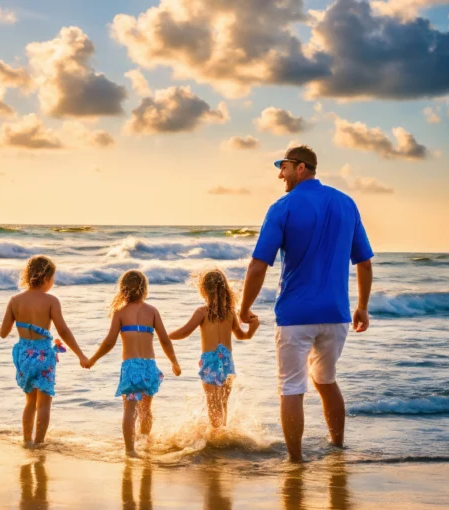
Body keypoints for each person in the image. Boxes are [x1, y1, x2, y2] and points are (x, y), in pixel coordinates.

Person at [239, 145, 374, 462]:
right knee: (326, 381)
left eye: (283, 167)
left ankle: (296, 461)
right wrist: (362, 306)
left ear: (300, 168)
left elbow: (259, 264)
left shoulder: (282, 207)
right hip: (336, 315)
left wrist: (244, 308)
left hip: (295, 316)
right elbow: (364, 263)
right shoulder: (346, 203)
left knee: (291, 388)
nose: (279, 174)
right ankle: (338, 448)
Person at [85, 270, 182, 457]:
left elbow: (109, 342)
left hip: (131, 367)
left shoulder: (120, 313)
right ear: (144, 289)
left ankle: (130, 450)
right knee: (146, 409)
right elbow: (164, 340)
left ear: (123, 290)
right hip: (149, 366)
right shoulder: (152, 311)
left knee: (130, 410)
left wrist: (93, 359)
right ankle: (144, 443)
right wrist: (174, 362)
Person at [0, 255, 89, 447]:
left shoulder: (15, 300)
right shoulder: (51, 301)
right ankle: (39, 443)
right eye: (53, 279)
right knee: (44, 403)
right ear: (47, 278)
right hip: (43, 356)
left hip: (23, 355)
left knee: (30, 402)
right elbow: (63, 330)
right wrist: (80, 354)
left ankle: (26, 441)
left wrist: (19, 320)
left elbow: (3, 333)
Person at [169, 269, 259, 428]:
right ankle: (223, 431)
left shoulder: (202, 312)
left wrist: (165, 336)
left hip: (211, 361)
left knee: (213, 403)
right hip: (227, 361)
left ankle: (217, 436)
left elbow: (184, 332)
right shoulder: (229, 312)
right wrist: (253, 327)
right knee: (223, 403)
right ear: (225, 288)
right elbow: (242, 336)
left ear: (203, 289)